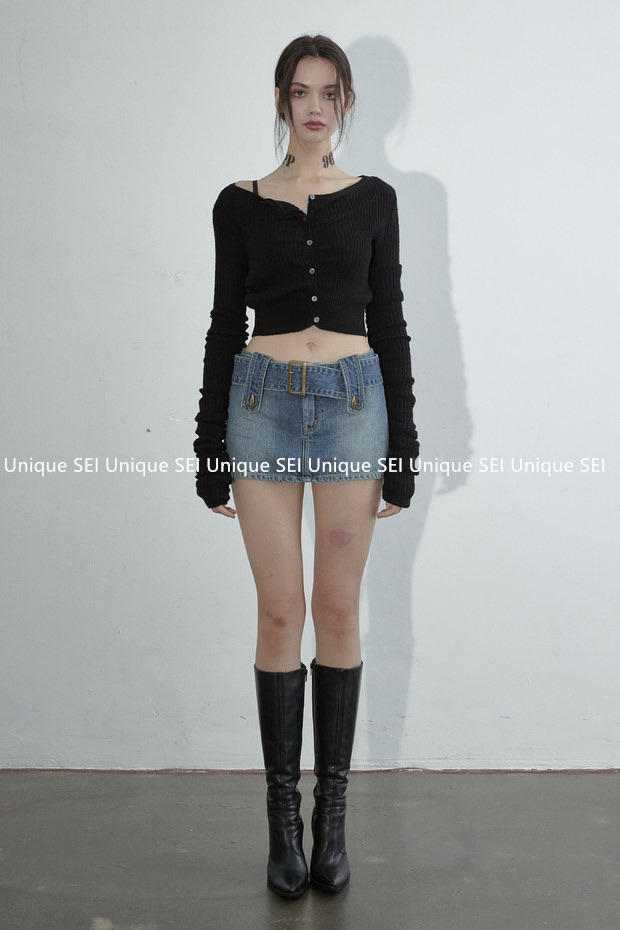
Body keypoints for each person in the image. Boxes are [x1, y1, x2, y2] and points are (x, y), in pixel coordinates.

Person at [193, 33, 420, 899]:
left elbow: (390, 319)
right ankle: (283, 825)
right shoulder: (239, 203)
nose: (315, 106)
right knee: (281, 611)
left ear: (348, 102)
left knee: (337, 609)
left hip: (356, 406)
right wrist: (209, 445)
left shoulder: (375, 201)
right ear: (282, 100)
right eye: (300, 91)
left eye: (329, 92)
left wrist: (404, 446)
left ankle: (333, 821)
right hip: (261, 406)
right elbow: (225, 323)